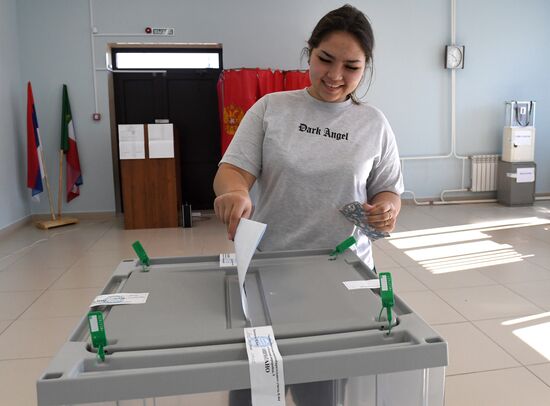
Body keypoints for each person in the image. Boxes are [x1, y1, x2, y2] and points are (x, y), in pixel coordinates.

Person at [214, 4, 403, 273]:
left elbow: (387, 189)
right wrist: (235, 192)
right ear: (309, 52)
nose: (335, 76)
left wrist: (386, 209)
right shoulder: (271, 108)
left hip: (350, 265)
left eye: (351, 66)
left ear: (365, 68)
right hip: (275, 261)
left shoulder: (374, 123)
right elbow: (233, 169)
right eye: (325, 59)